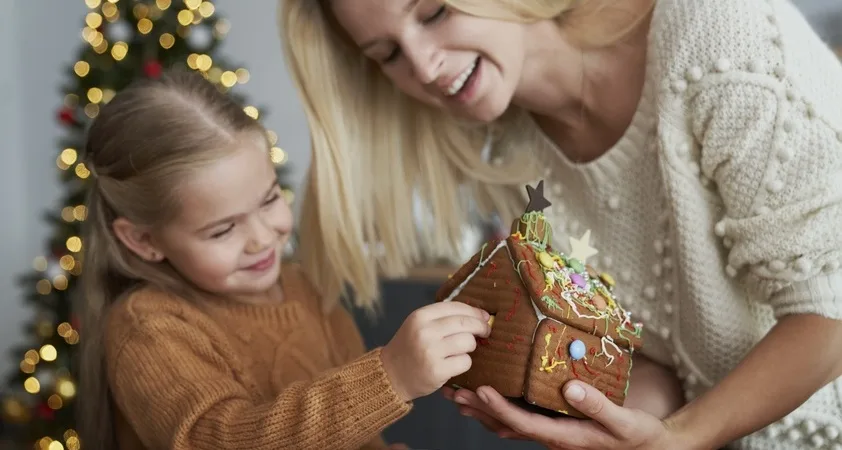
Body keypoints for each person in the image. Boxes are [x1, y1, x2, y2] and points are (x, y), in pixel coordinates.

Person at [278, 0, 842, 448]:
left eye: (434, 12)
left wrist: (682, 437)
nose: (424, 67)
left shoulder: (718, 35)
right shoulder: (503, 149)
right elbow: (662, 366)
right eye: (387, 54)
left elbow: (830, 312)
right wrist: (587, 412)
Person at [75, 70, 492, 450]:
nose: (262, 238)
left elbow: (353, 435)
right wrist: (391, 377)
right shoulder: (149, 327)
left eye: (270, 199)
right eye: (223, 230)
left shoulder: (304, 288)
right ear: (143, 240)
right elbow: (217, 440)